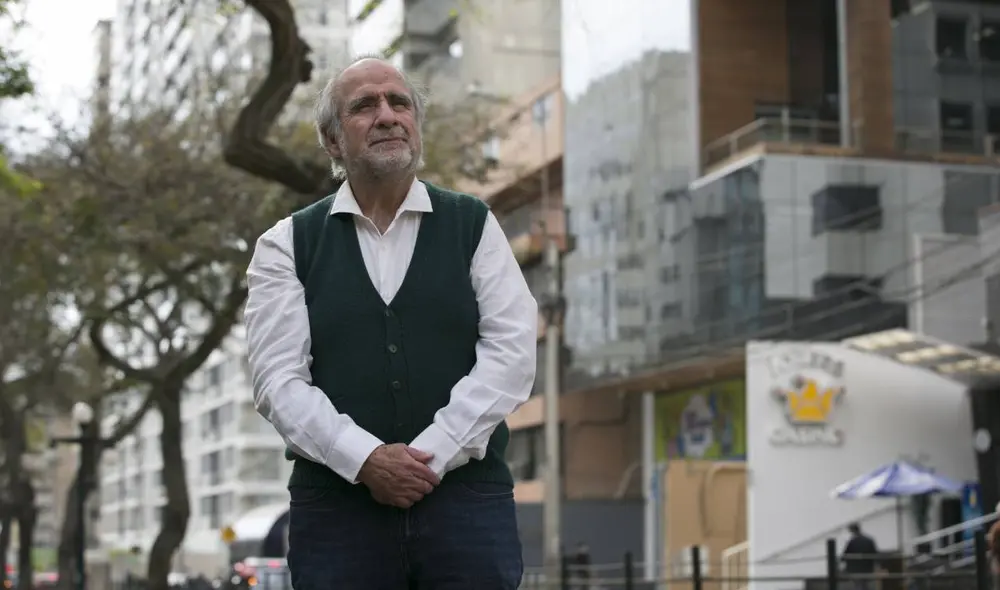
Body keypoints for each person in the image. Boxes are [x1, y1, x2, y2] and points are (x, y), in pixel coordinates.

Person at [244, 55, 538, 590]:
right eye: (363, 106)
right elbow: (277, 382)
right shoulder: (285, 245)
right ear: (333, 142)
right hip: (338, 515)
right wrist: (366, 460)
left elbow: (513, 353)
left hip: (467, 509)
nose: (386, 115)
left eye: (399, 103)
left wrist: (430, 455)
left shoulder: (473, 224)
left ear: (416, 126)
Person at [841, 522, 878, 590]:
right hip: (868, 568)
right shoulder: (869, 540)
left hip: (855, 569)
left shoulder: (852, 542)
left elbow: (845, 555)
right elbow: (875, 554)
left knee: (858, 584)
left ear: (852, 530)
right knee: (865, 584)